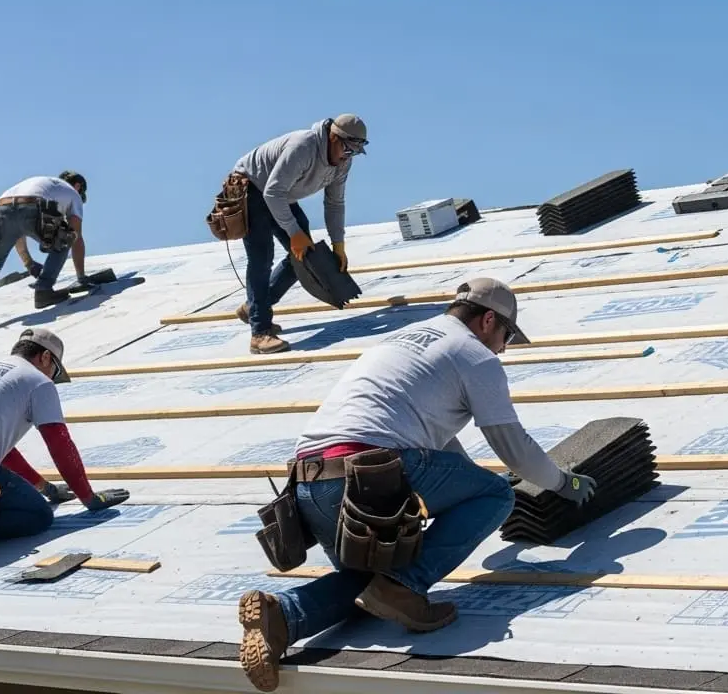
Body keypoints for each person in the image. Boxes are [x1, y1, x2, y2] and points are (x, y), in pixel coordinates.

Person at [235, 278, 596, 692]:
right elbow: (513, 448)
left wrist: (469, 479)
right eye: (506, 334)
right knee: (496, 494)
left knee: (370, 585)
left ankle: (281, 616)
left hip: (307, 486)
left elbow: (438, 443)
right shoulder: (474, 355)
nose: (504, 346)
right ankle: (406, 586)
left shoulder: (404, 340)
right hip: (367, 475)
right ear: (488, 320)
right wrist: (560, 481)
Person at [0, 328, 129, 569]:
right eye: (56, 372)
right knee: (37, 515)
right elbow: (59, 443)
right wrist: (89, 498)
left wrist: (46, 487)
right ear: (45, 358)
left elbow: (3, 452)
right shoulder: (38, 381)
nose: (53, 379)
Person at [228, 114, 368, 354]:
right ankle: (260, 333)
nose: (347, 155)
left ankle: (254, 307)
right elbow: (272, 192)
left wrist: (338, 243)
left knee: (305, 256)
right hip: (252, 188)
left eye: (353, 152)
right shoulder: (303, 147)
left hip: (281, 195)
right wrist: (294, 232)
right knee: (261, 259)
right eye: (346, 149)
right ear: (333, 138)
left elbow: (335, 203)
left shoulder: (343, 162)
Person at [0, 171, 90, 334]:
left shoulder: (44, 185)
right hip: (31, 206)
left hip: (2, 207)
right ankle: (44, 290)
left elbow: (18, 230)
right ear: (78, 186)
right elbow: (76, 237)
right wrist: (81, 279)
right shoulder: (72, 193)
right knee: (65, 238)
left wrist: (29, 264)